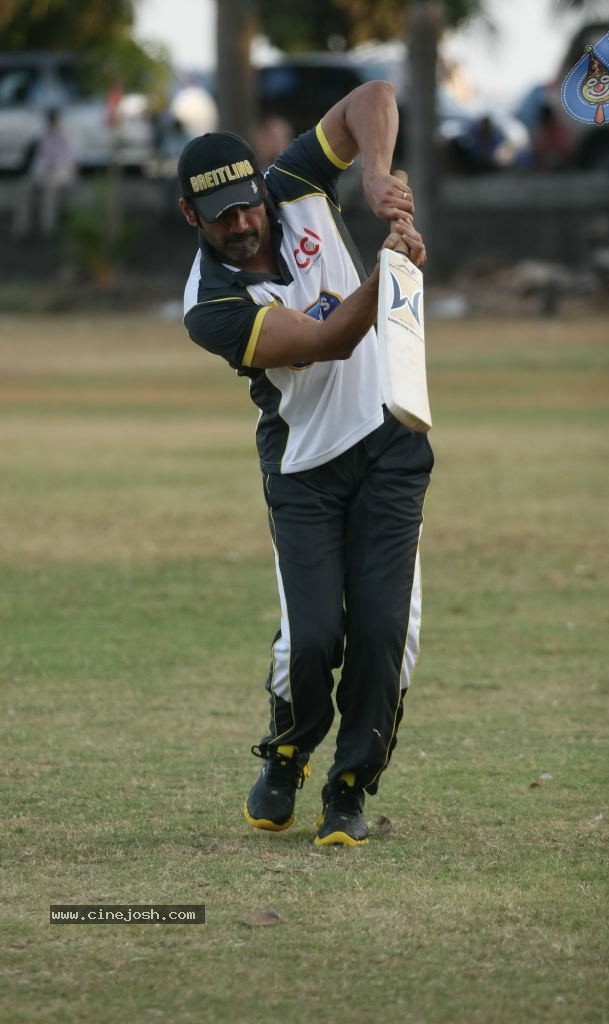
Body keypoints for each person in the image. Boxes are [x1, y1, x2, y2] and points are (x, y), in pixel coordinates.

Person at [178, 81, 432, 847]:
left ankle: (350, 787)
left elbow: (372, 98)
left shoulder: (295, 184)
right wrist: (387, 275)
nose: (246, 223)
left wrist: (378, 174)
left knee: (385, 632)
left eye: (250, 204)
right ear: (191, 218)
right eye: (223, 218)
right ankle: (287, 753)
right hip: (305, 471)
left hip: (388, 442)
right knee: (314, 637)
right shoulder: (208, 303)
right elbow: (324, 341)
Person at [13, 108, 78, 238]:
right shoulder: (41, 136)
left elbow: (70, 160)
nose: (52, 124)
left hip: (60, 174)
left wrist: (55, 169)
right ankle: (21, 229)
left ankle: (48, 228)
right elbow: (38, 160)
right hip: (42, 174)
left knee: (50, 189)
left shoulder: (67, 137)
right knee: (24, 188)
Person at [531, 103, 574, 171]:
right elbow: (537, 151)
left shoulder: (559, 130)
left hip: (560, 161)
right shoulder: (541, 132)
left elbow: (566, 149)